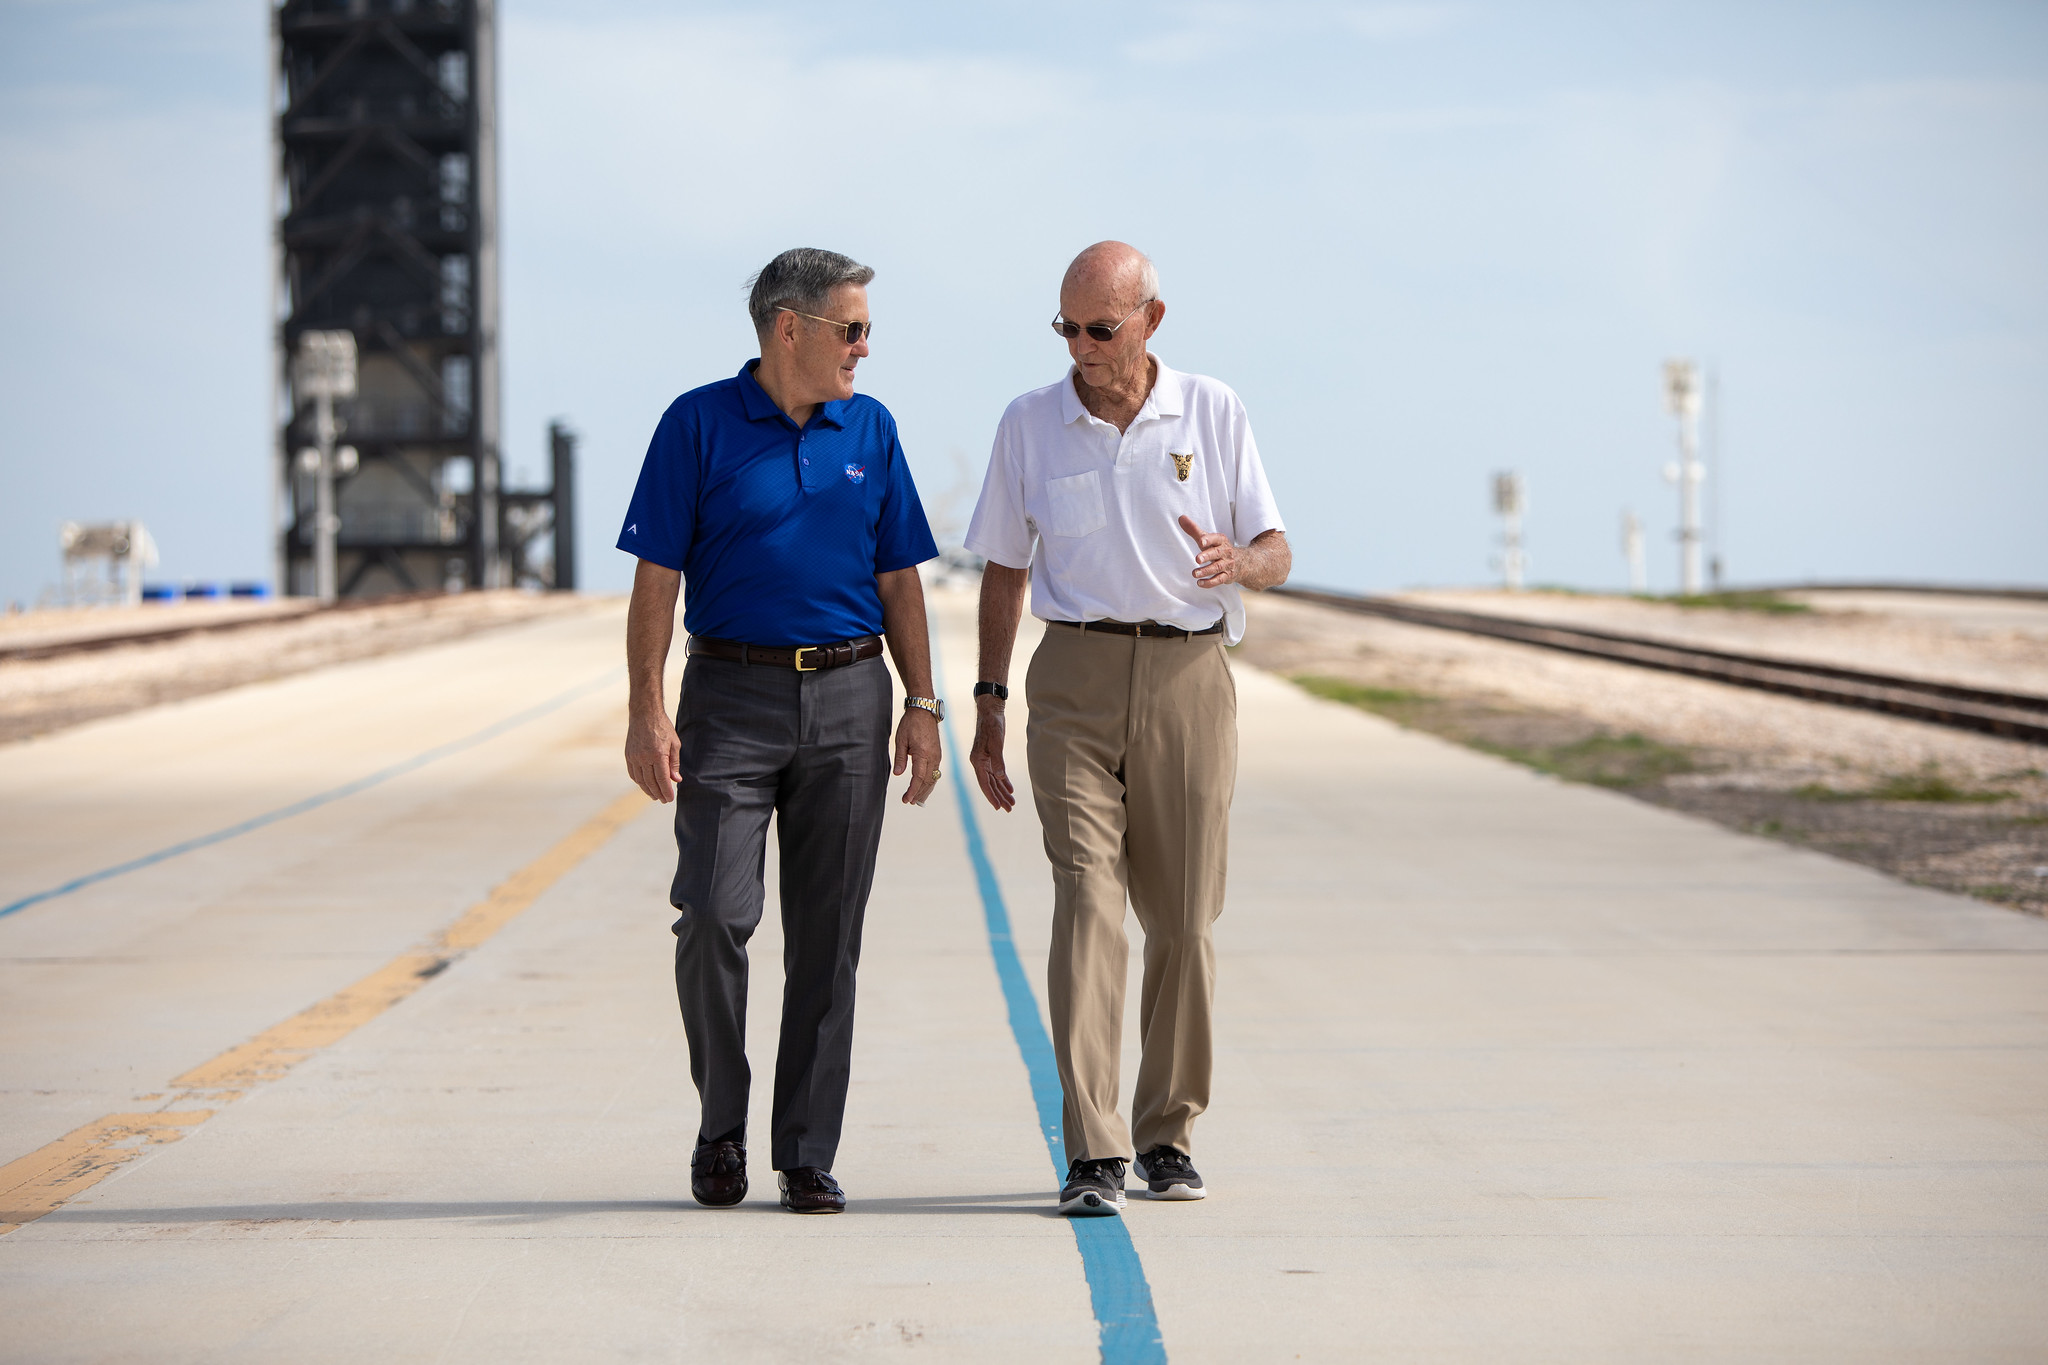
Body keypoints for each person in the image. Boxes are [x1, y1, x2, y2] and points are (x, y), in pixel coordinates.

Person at [963, 241, 1290, 1216]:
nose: (1081, 347)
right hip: (1070, 681)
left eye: (1098, 328)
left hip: (1189, 677)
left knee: (1183, 922)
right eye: (1065, 328)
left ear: (1150, 319)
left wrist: (1239, 564)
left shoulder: (1212, 411)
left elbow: (1276, 549)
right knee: (1085, 903)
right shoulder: (1030, 423)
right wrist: (986, 699)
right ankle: (1093, 1149)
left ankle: (1167, 1134)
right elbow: (1002, 568)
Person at [619, 247, 943, 1216]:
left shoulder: (870, 427)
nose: (864, 348)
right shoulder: (696, 423)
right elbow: (655, 578)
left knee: (827, 938)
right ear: (787, 326)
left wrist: (923, 703)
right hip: (729, 695)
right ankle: (721, 1126)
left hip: (851, 698)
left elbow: (899, 579)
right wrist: (646, 704)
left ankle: (804, 1148)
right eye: (851, 328)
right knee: (714, 914)